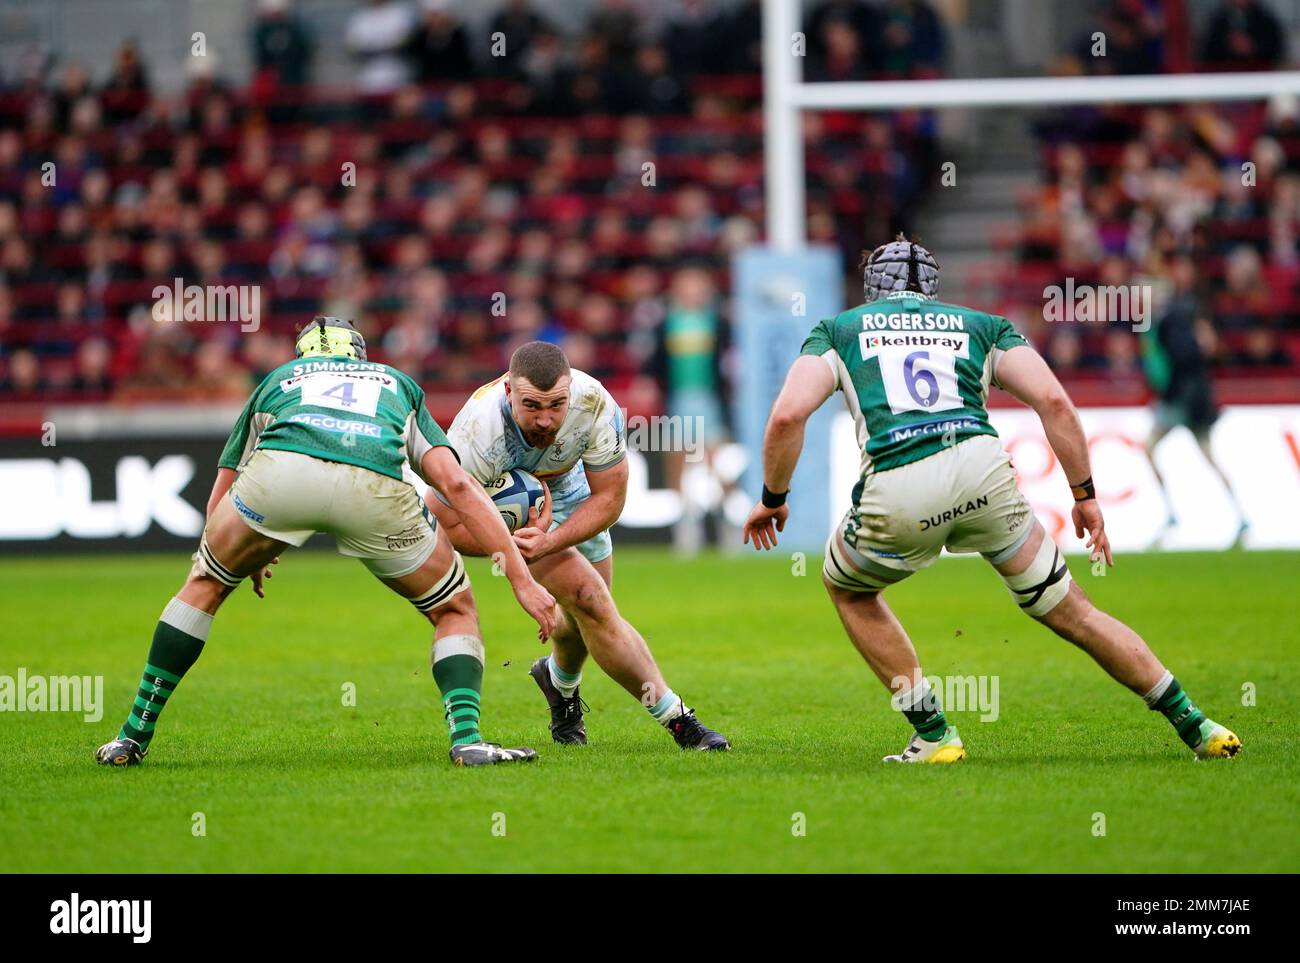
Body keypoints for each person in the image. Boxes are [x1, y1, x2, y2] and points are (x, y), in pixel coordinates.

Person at [742, 236, 1242, 763]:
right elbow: (1053, 400)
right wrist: (1084, 495)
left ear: (872, 288)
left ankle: (934, 735)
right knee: (1075, 612)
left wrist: (774, 498)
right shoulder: (982, 325)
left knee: (847, 588)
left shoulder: (838, 331)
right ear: (932, 287)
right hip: (985, 477)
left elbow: (787, 416)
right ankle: (1198, 725)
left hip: (899, 482)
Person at [96, 316, 556, 768]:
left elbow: (227, 481)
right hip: (373, 486)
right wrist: (520, 578)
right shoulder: (394, 382)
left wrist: (237, 550)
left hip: (281, 477)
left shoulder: (278, 379)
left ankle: (131, 737)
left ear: (303, 357)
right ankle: (467, 741)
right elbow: (455, 485)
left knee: (204, 586)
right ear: (358, 354)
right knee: (453, 608)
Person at [422, 340, 730, 751]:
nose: (546, 420)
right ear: (509, 392)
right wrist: (513, 545)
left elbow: (610, 500)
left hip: (572, 497)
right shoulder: (475, 434)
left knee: (582, 626)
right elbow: (437, 526)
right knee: (593, 601)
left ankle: (559, 686)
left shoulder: (592, 403)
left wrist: (551, 540)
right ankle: (680, 722)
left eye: (556, 405)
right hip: (507, 520)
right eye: (532, 406)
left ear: (570, 391)